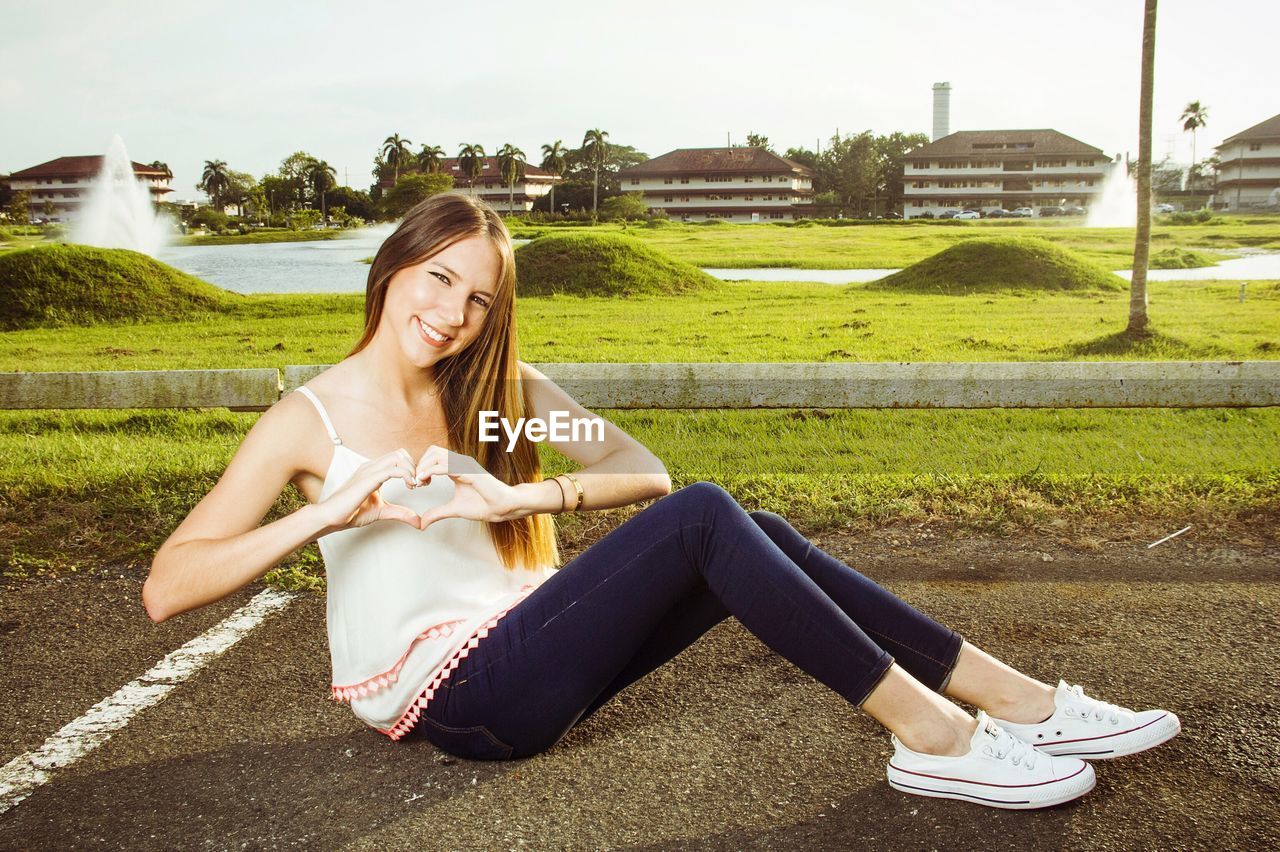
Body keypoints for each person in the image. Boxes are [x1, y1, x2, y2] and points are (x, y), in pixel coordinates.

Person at [143, 191, 1179, 811]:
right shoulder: (310, 423)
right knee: (709, 519)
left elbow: (641, 472)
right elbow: (167, 586)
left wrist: (514, 491)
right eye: (438, 279)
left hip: (527, 648)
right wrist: (330, 510)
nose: (452, 313)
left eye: (477, 299)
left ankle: (1021, 703)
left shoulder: (487, 400)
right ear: (396, 263)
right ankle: (938, 740)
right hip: (462, 699)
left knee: (748, 530)